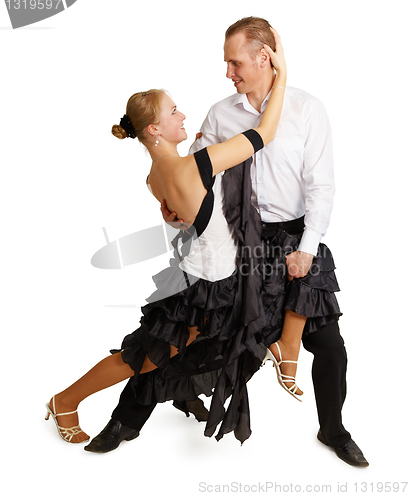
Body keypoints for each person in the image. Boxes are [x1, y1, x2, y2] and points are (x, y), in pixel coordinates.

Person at [87, 17, 368, 468]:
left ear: (265, 57)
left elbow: (322, 187)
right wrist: (175, 215)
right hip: (241, 244)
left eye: (235, 62)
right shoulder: (221, 114)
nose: (228, 72)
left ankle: (333, 430)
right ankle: (126, 419)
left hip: (297, 240)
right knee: (193, 339)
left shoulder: (308, 109)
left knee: (330, 345)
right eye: (226, 63)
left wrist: (309, 246)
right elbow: (193, 181)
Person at [45, 29, 287, 446]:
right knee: (138, 358)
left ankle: (185, 396)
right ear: (155, 128)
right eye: (174, 112)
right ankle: (65, 399)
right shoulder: (196, 165)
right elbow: (264, 134)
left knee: (179, 352)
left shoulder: (156, 175)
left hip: (208, 280)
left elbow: (184, 219)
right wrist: (281, 76)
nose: (183, 115)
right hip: (201, 288)